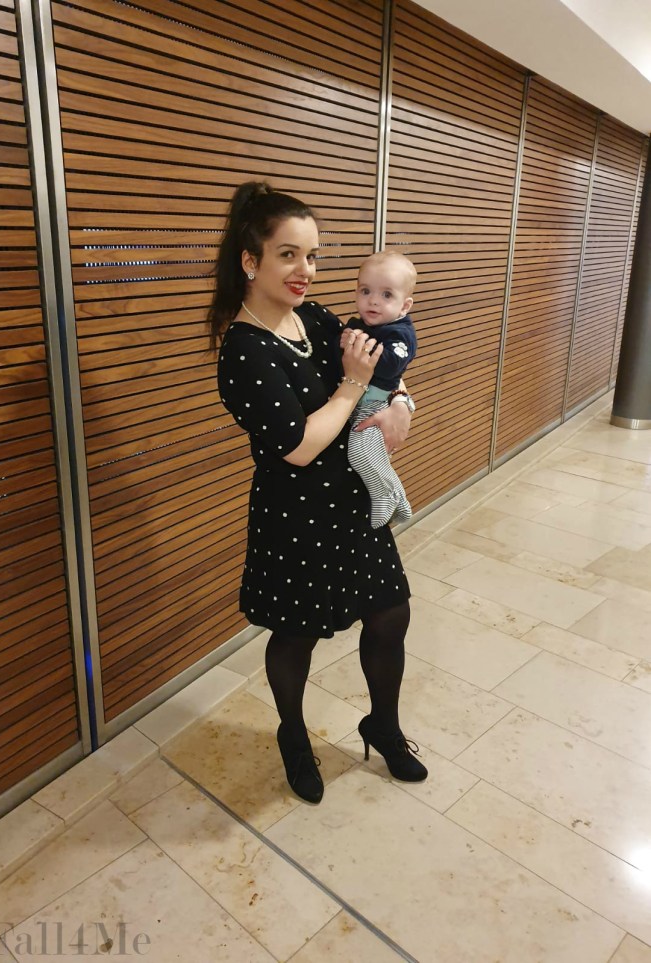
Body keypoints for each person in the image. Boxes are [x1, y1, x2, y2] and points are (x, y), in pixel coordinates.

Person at [209, 181, 428, 804]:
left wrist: (402, 401)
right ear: (250, 261)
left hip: (353, 503)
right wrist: (354, 386)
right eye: (288, 254)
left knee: (390, 614)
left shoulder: (315, 318)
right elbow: (299, 445)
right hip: (296, 513)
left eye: (312, 255)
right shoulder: (244, 351)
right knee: (297, 633)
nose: (305, 269)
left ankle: (382, 726)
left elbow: (383, 364)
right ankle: (293, 734)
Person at [339, 251, 418, 529]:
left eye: (386, 295)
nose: (373, 300)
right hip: (357, 402)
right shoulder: (358, 325)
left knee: (360, 453)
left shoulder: (400, 333)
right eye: (365, 291)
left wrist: (359, 346)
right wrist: (345, 341)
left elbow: (391, 366)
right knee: (369, 455)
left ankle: (387, 494)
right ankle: (397, 497)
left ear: (404, 306)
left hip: (376, 404)